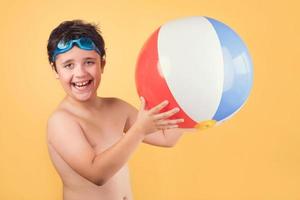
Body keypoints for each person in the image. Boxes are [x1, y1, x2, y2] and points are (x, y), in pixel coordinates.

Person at [46, 19, 196, 200]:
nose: (80, 73)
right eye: (69, 65)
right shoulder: (61, 121)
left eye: (89, 62)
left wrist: (189, 97)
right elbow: (97, 174)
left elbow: (166, 138)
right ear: (55, 70)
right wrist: (139, 130)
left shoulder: (117, 108)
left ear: (102, 64)